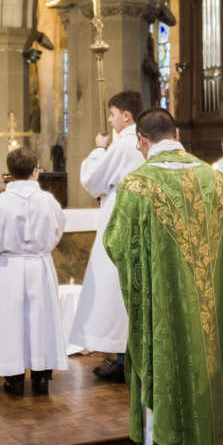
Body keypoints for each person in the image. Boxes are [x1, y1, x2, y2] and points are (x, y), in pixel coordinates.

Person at [105, 108, 223, 445]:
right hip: (211, 312)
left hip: (165, 312)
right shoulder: (217, 180)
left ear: (142, 141)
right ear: (176, 133)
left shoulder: (138, 185)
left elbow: (117, 245)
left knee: (167, 376)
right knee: (207, 377)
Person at [69, 90, 145, 382]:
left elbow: (93, 180)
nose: (110, 120)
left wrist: (98, 149)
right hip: (136, 219)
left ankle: (123, 356)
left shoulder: (124, 145)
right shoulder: (144, 143)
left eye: (112, 114)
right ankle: (129, 355)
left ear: (126, 116)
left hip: (118, 218)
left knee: (114, 289)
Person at [0, 148, 67, 396]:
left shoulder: (0, 203)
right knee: (42, 320)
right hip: (40, 264)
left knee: (11, 322)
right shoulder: (48, 201)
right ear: (35, 171)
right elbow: (58, 229)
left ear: (9, 173)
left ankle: (15, 378)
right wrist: (43, 248)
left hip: (10, 266)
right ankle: (42, 377)